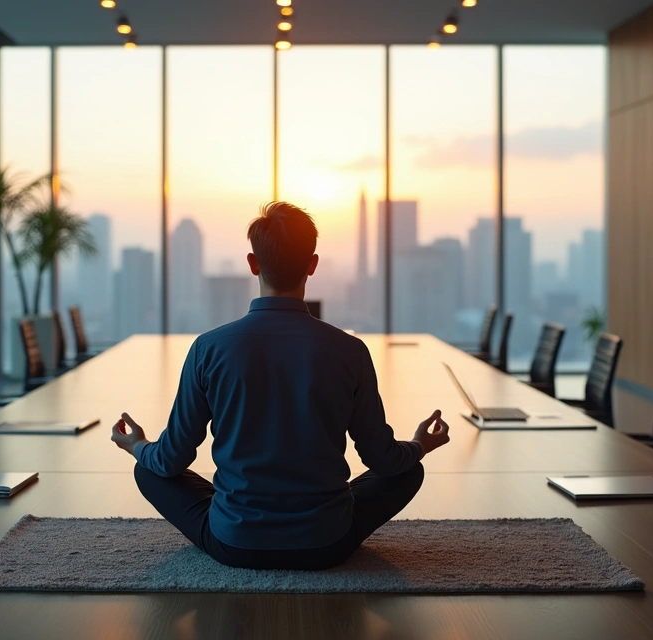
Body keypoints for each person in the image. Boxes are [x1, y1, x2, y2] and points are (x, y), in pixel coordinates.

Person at [111, 201, 450, 571]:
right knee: (408, 470)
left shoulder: (208, 349)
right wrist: (420, 445)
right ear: (313, 264)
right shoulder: (350, 351)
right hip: (326, 544)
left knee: (147, 469)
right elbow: (382, 459)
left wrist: (137, 445)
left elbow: (170, 459)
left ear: (253, 264)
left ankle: (239, 515)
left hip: (235, 544)